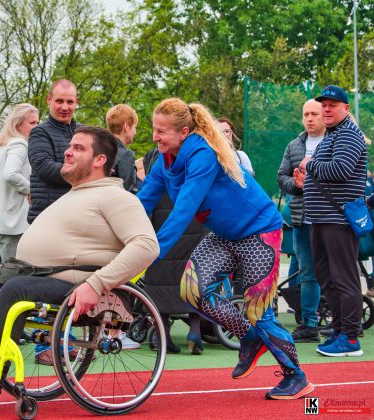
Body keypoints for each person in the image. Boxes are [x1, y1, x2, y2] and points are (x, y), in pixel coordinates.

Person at [0, 126, 159, 386]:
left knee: (16, 288)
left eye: (78, 148)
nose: (67, 152)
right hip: (39, 277)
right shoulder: (74, 194)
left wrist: (97, 283)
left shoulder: (116, 197)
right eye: (69, 146)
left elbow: (147, 245)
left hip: (78, 284)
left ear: (99, 160)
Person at [138, 97, 313, 400]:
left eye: (161, 131)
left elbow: (183, 211)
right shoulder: (164, 161)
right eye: (154, 129)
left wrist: (149, 254)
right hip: (225, 234)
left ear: (183, 132)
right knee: (192, 290)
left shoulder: (202, 154)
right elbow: (143, 202)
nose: (155, 137)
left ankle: (296, 376)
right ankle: (248, 338)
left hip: (259, 231)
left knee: (258, 311)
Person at [300, 85, 367, 357]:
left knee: (343, 279)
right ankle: (339, 331)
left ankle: (350, 338)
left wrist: (310, 164)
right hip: (323, 219)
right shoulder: (333, 135)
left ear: (345, 109)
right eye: (324, 105)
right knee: (328, 279)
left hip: (337, 220)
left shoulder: (348, 134)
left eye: (332, 105)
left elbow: (340, 169)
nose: (326, 109)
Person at [142, 146, 208, 355]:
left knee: (158, 282)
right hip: (193, 229)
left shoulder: (156, 164)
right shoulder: (196, 164)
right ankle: (195, 331)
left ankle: (161, 335)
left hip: (161, 232)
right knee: (193, 280)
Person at [277, 99, 325, 342]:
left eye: (314, 113)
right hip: (301, 218)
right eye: (306, 114)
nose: (309, 118)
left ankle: (343, 324)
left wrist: (314, 184)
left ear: (324, 115)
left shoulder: (335, 142)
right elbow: (281, 177)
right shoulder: (294, 145)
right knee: (307, 272)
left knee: (335, 272)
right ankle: (309, 324)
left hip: (328, 219)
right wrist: (296, 186)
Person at [0, 103, 39, 262]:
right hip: (13, 222)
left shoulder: (0, 147)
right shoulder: (19, 144)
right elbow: (10, 175)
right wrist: (32, 189)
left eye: (38, 122)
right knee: (14, 271)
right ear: (17, 124)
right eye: (32, 123)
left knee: (8, 268)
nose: (37, 127)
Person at [27, 79, 79, 223]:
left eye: (70, 102)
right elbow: (44, 167)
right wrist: (84, 172)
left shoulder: (84, 131)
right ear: (49, 100)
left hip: (76, 211)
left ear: (76, 102)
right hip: (48, 215)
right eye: (59, 101)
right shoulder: (39, 132)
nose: (65, 107)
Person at [105, 104, 139, 193]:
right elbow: (128, 189)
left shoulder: (100, 150)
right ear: (126, 126)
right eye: (135, 127)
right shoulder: (126, 155)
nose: (135, 132)